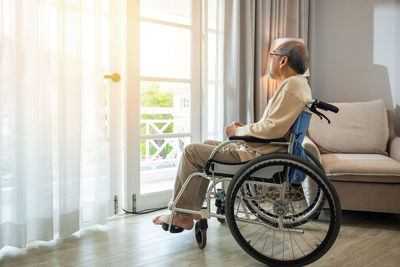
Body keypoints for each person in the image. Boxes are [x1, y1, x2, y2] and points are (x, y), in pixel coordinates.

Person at [153, 40, 312, 231]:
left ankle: (182, 214)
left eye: (272, 56)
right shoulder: (297, 84)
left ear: (283, 60)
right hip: (264, 149)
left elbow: (272, 129)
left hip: (258, 156)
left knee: (191, 151)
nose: (270, 61)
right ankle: (193, 207)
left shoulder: (291, 86)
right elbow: (274, 127)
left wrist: (238, 132)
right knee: (206, 144)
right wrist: (246, 129)